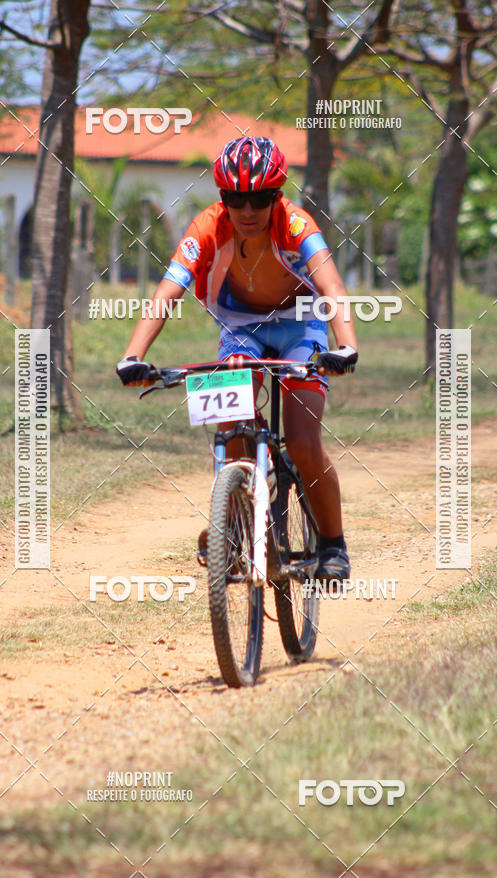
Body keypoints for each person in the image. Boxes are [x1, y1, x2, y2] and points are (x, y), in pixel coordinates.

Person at [116, 136, 357, 580]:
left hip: (301, 323)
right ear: (222, 198)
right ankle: (235, 521)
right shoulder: (207, 226)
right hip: (240, 325)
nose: (246, 211)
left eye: (259, 199)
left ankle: (332, 545)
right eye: (234, 199)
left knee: (303, 440)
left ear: (277, 196)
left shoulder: (296, 224)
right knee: (231, 422)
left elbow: (332, 288)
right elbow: (167, 290)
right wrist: (133, 356)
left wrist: (345, 346)